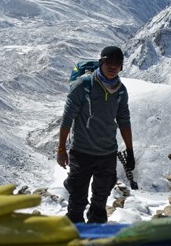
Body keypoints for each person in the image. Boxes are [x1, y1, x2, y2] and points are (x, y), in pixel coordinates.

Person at [57, 46, 134, 224]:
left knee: (100, 200)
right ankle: (75, 234)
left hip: (107, 154)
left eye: (117, 63)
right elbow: (67, 119)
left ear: (121, 67)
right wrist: (61, 148)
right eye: (109, 62)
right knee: (77, 199)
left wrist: (130, 152)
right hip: (81, 153)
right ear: (101, 62)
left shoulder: (121, 91)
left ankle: (95, 235)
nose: (113, 66)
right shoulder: (83, 85)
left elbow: (124, 121)